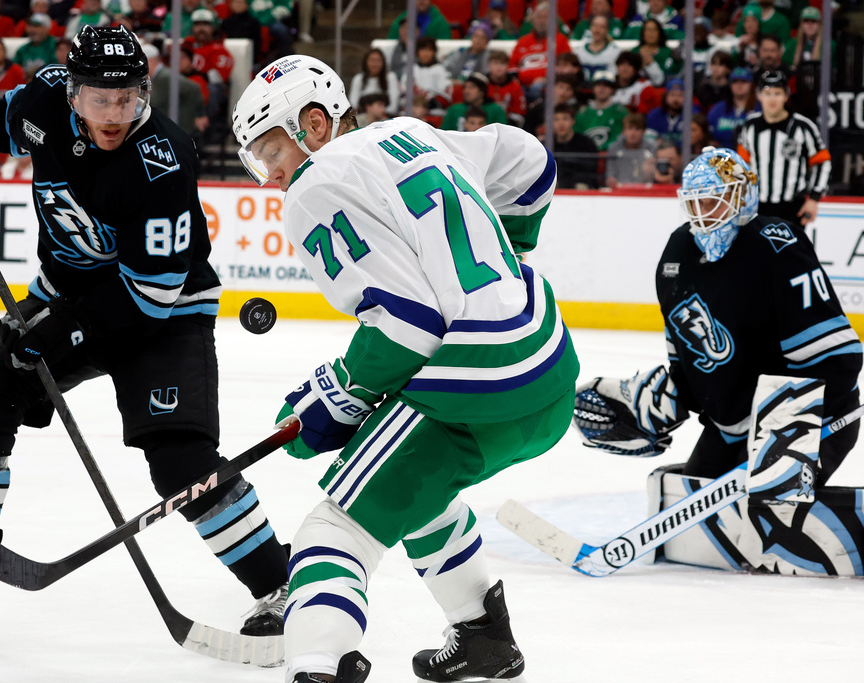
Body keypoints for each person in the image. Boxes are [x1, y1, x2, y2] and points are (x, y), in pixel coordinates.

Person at [0, 25, 290, 646]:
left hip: (166, 310)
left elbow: (148, 297)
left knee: (180, 462)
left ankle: (282, 589)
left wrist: (62, 336)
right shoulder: (47, 104)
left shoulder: (163, 157)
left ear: (145, 91)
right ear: (74, 92)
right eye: (101, 98)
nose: (115, 113)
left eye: (128, 97)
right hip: (67, 293)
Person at [232, 54, 578, 683]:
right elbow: (531, 163)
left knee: (336, 525)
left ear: (313, 124)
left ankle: (318, 666)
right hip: (550, 368)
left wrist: (330, 403)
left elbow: (407, 326)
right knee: (416, 486)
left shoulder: (315, 186)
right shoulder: (411, 133)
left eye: (271, 150)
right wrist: (510, 251)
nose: (270, 173)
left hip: (474, 382)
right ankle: (483, 638)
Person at [572, 147, 861, 485]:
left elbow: (837, 357)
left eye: (713, 201)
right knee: (690, 505)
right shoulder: (679, 251)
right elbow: (690, 360)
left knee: (764, 520)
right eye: (695, 203)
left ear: (742, 196)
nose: (703, 214)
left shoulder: (777, 246)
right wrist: (663, 400)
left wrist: (791, 427)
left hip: (812, 416)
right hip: (733, 424)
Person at [737, 69, 829, 226]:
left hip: (793, 207)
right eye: (767, 93)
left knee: (790, 250)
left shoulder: (803, 127)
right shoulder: (749, 127)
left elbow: (822, 161)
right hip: (757, 207)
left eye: (777, 93)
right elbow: (741, 167)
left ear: (786, 96)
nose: (772, 99)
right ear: (759, 95)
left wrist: (814, 199)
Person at [145, 42, 207, 138]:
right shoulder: (157, 78)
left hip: (179, 129)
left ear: (150, 61)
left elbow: (193, 88)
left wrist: (199, 115)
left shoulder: (165, 76)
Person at [574, 69, 628, 151]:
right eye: (598, 85)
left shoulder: (620, 112)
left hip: (611, 155)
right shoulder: (583, 112)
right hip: (586, 155)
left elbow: (621, 135)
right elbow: (577, 134)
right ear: (593, 88)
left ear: (613, 89)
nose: (602, 89)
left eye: (606, 85)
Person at [707, 67, 759, 147]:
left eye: (743, 81)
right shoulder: (718, 109)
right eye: (735, 82)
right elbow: (708, 133)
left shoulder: (759, 108)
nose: (739, 85)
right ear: (730, 85)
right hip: (721, 155)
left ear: (751, 84)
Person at [552, 102, 600, 189]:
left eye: (565, 119)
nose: (561, 123)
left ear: (572, 121)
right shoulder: (547, 144)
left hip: (581, 187)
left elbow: (589, 171)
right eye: (556, 119)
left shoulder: (586, 144)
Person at [440, 72, 507, 131]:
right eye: (465, 87)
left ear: (482, 91)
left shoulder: (496, 110)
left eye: (472, 87)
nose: (467, 91)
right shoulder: (455, 109)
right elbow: (443, 133)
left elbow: (503, 135)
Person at [604, 112, 656, 186]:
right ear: (623, 131)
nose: (633, 133)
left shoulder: (652, 148)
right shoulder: (614, 148)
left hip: (646, 190)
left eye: (637, 129)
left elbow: (657, 176)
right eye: (629, 128)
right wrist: (611, 180)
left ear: (643, 132)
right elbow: (610, 175)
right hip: (620, 191)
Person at [349, 48, 400, 117]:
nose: (375, 64)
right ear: (366, 62)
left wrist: (379, 113)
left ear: (383, 63)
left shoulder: (390, 77)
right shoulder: (358, 79)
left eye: (378, 60)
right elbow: (353, 104)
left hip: (385, 118)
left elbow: (394, 105)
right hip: (364, 119)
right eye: (372, 60)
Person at [573, 15, 621, 82]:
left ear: (607, 30)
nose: (597, 30)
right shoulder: (578, 52)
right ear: (590, 28)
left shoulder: (615, 52)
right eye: (595, 25)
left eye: (602, 27)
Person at [387, 0, 452, 41]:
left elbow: (444, 48)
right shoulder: (399, 21)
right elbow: (391, 43)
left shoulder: (440, 23)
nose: (421, 1)